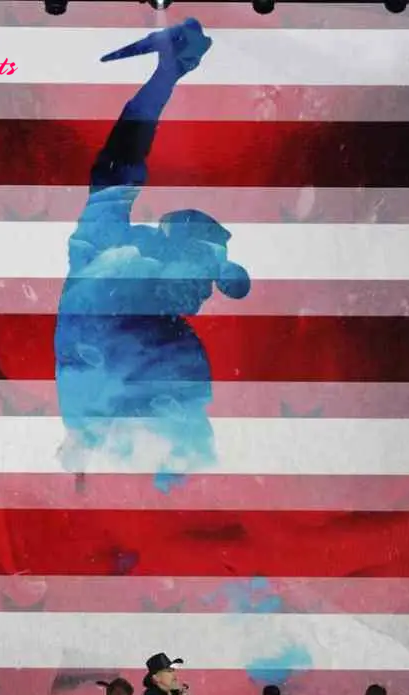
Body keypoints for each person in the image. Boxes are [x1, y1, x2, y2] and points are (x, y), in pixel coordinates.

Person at [55, 18, 250, 488]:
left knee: (113, 183)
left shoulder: (127, 280)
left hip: (116, 352)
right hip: (113, 341)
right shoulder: (124, 270)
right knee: (113, 182)